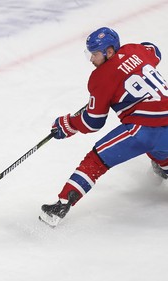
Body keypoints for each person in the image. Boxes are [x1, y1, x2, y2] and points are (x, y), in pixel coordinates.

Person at [39, 27, 168, 227]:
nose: (91, 59)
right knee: (161, 147)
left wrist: (68, 124)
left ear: (109, 52)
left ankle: (61, 205)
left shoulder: (100, 78)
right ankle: (164, 168)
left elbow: (93, 122)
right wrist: (132, 62)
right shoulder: (136, 50)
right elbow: (154, 50)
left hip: (143, 129)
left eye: (95, 54)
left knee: (96, 160)